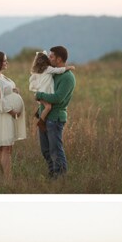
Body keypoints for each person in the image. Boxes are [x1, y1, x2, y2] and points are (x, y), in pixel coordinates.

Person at [33, 46, 76, 179]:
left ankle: (60, 178)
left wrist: (38, 94)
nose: (49, 58)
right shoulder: (52, 73)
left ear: (59, 59)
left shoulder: (68, 77)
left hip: (55, 119)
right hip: (44, 117)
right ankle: (52, 176)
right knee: (46, 151)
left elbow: (57, 98)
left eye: (51, 56)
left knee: (55, 150)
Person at [0, 51, 27, 182]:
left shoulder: (3, 77)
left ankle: (6, 178)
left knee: (8, 147)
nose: (6, 62)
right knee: (0, 146)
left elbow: (7, 92)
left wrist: (15, 92)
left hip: (8, 115)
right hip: (2, 115)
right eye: (4, 60)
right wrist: (13, 112)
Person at [28, 51, 75, 132]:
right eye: (49, 58)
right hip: (45, 93)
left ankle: (39, 114)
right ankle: (41, 121)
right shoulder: (48, 69)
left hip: (39, 92)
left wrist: (37, 92)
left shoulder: (38, 71)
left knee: (45, 105)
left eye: (51, 57)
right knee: (48, 107)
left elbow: (32, 80)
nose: (50, 59)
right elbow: (59, 70)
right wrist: (69, 67)